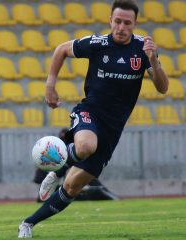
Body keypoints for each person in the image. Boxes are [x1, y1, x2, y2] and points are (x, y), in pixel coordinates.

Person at [18, 0, 168, 238]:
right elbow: (61, 50)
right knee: (86, 146)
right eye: (117, 21)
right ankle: (56, 171)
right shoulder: (97, 44)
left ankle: (27, 224)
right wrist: (50, 85)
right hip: (89, 112)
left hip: (113, 128)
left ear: (135, 24)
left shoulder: (143, 49)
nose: (121, 27)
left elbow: (162, 88)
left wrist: (154, 62)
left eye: (127, 23)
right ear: (110, 20)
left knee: (72, 187)